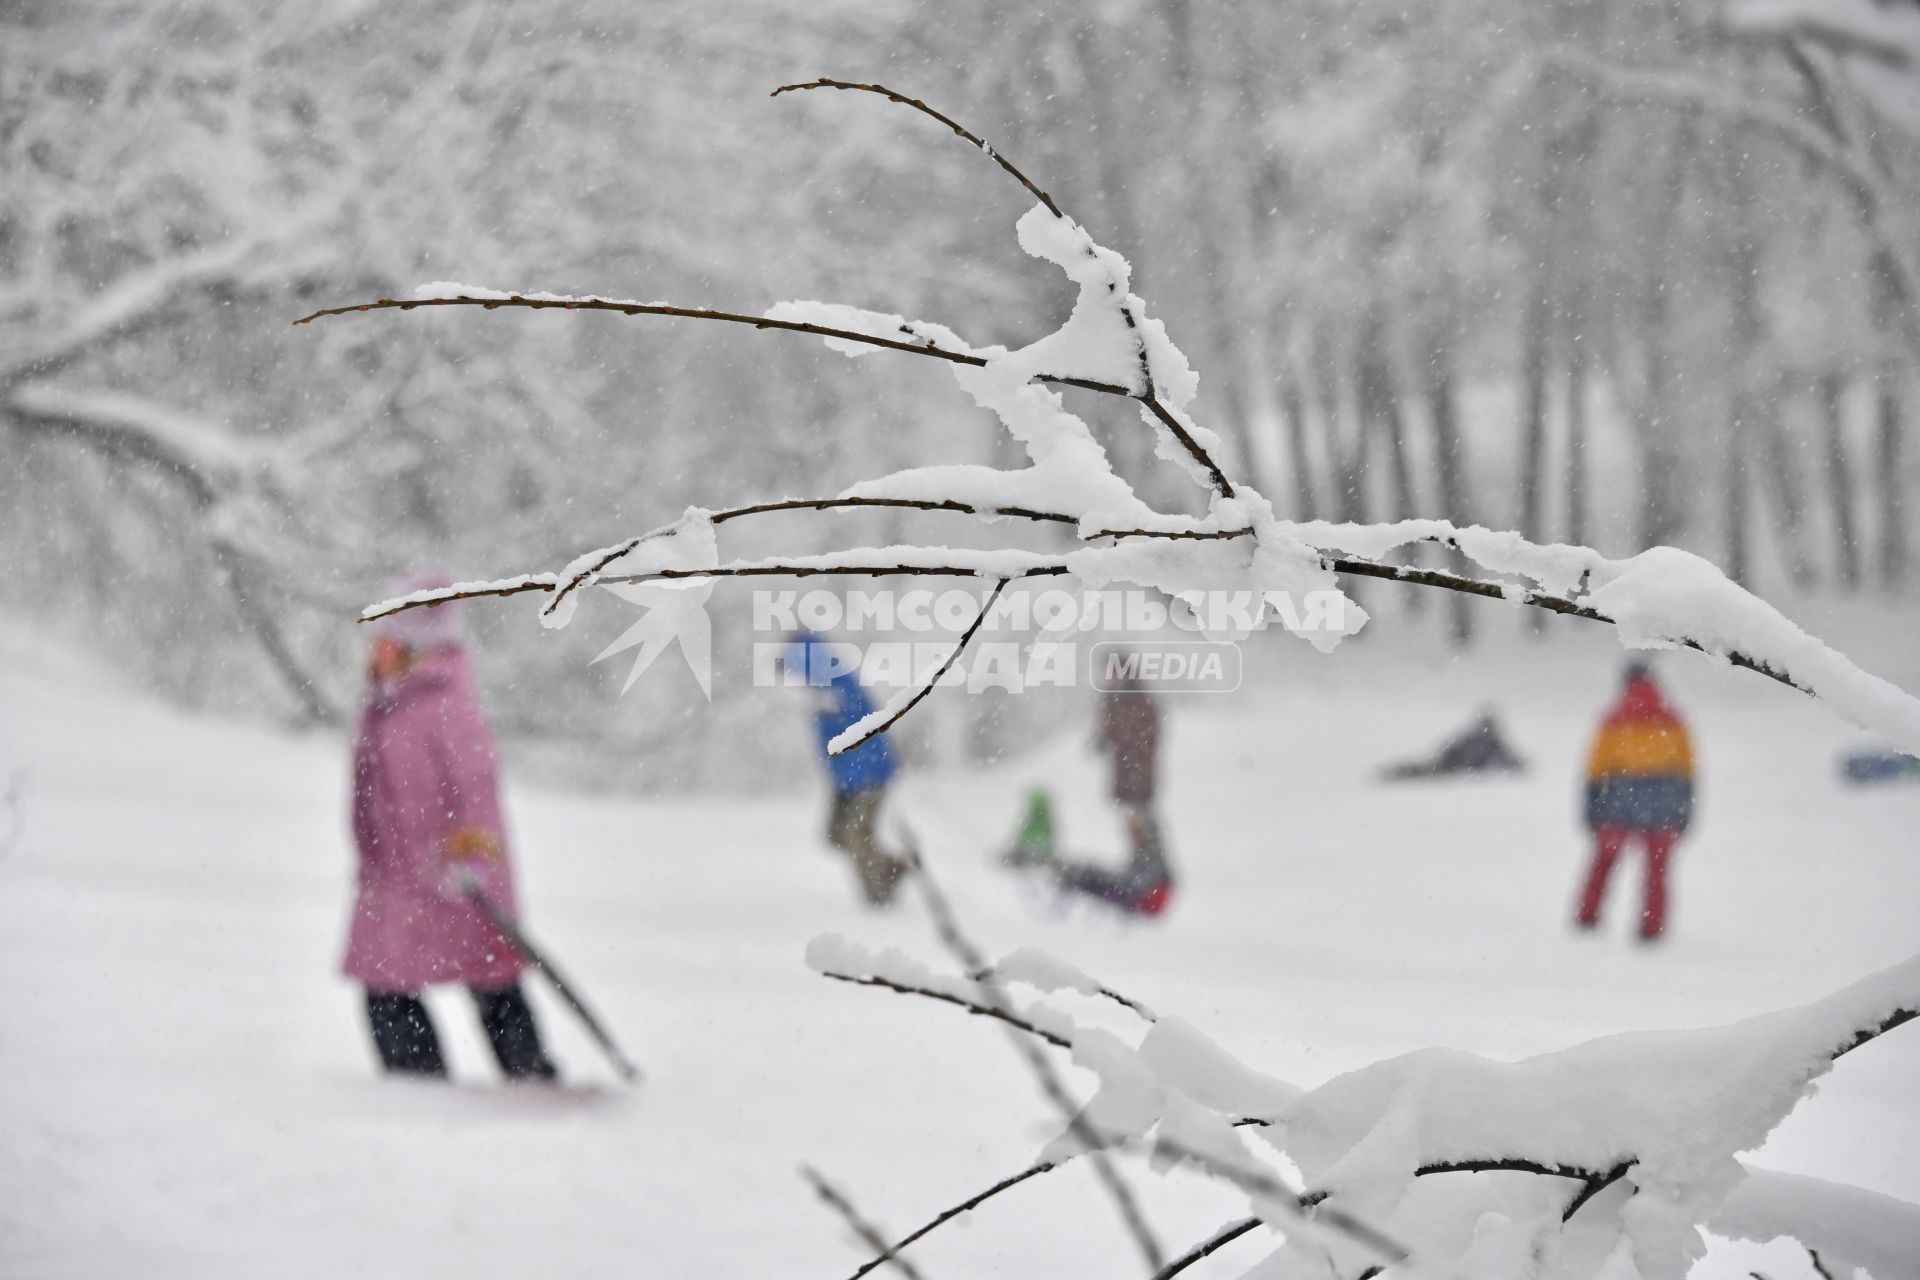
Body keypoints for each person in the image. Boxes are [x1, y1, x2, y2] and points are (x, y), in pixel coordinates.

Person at [343, 576, 557, 1080]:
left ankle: (529, 1076)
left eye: (387, 638)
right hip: (396, 879)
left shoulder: (445, 705)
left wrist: (475, 860)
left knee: (490, 976)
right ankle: (416, 1084)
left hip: (453, 874)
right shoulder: (386, 704)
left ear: (416, 645)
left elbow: (476, 789)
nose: (375, 650)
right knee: (385, 981)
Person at [1001, 677, 1175, 917]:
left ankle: (1062, 871)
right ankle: (1062, 870)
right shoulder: (1129, 699)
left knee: (1099, 866)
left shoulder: (1132, 701)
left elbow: (1130, 734)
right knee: (1099, 866)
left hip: (1136, 788)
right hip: (1132, 788)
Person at [1574, 662, 1695, 942]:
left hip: (1619, 797)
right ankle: (1652, 927)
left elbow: (1595, 767)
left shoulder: (1613, 719)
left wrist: (1591, 806)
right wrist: (1686, 808)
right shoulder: (1673, 719)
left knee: (1603, 864)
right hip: (1663, 801)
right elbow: (1687, 768)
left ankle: (1587, 917)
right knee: (1657, 870)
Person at [786, 630, 908, 907]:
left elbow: (857, 722)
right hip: (846, 779)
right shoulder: (820, 685)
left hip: (868, 775)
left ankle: (879, 899)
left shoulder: (835, 681)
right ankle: (889, 866)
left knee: (856, 836)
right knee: (834, 836)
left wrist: (823, 702)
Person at [1380, 710, 1526, 780]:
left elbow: (1450, 746)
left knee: (1423, 769)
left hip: (1454, 765)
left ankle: (1394, 772)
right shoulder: (1486, 741)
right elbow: (1509, 759)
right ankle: (1394, 772)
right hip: (1454, 765)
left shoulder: (1483, 740)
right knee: (1424, 769)